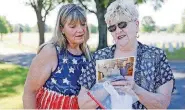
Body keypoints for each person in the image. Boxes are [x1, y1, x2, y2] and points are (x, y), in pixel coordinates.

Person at [77, 0, 175, 109]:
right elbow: (83, 104)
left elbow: (163, 104)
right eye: (112, 28)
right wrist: (106, 88)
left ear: (136, 25)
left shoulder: (156, 56)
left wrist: (136, 90)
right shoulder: (99, 57)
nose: (118, 31)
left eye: (122, 24)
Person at [23, 3, 92, 109]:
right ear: (61, 29)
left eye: (83, 24)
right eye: (73, 26)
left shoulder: (87, 54)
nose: (80, 30)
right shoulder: (51, 51)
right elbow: (29, 92)